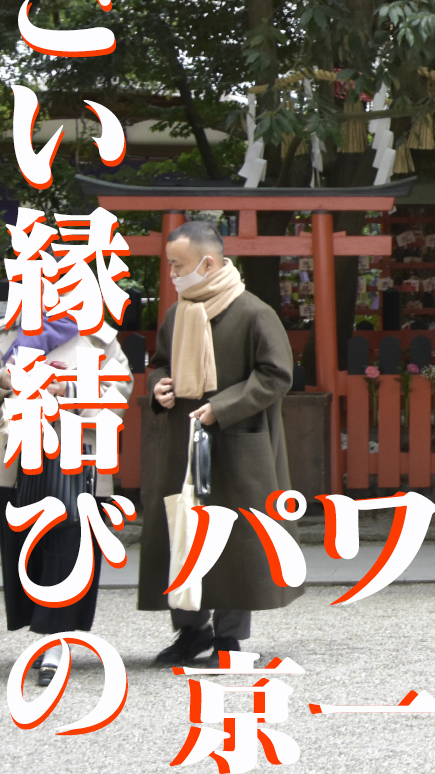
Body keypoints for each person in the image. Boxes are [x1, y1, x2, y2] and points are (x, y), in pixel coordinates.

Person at [138, 220, 302, 665]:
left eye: (179, 265)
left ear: (207, 263)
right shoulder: (178, 313)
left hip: (236, 441)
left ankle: (228, 641)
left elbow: (276, 376)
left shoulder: (253, 312)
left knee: (235, 540)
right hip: (184, 439)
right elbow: (157, 364)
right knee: (183, 534)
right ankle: (191, 632)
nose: (173, 274)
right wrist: (158, 387)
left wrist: (223, 407)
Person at [0, 309, 132, 685]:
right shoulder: (8, 332)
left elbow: (119, 386)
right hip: (21, 452)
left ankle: (56, 643)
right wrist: (6, 379)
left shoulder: (96, 334)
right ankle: (41, 632)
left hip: (77, 451)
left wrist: (68, 389)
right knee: (27, 545)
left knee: (68, 543)